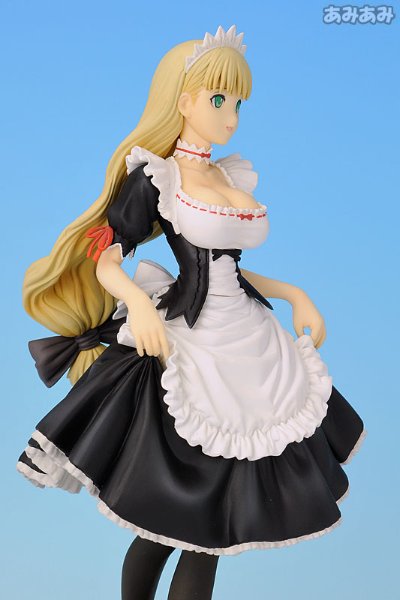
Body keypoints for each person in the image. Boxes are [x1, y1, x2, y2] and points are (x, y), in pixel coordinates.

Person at [16, 25, 367, 600]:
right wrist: (136, 303)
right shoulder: (157, 177)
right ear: (184, 102)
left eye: (238, 104)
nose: (231, 116)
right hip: (190, 350)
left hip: (251, 346)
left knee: (209, 530)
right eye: (219, 99)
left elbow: (228, 267)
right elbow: (107, 259)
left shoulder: (228, 174)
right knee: (174, 523)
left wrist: (291, 292)